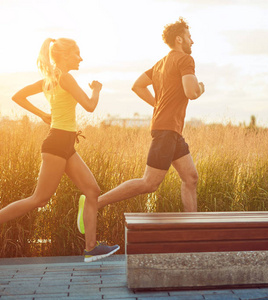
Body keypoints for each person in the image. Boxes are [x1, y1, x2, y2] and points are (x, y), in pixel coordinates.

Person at [77, 17, 204, 234]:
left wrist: (158, 105)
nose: (193, 41)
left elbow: (137, 86)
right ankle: (95, 202)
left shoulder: (161, 64)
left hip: (171, 130)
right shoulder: (185, 60)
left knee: (190, 178)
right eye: (190, 37)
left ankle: (192, 228)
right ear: (179, 39)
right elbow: (191, 92)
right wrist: (201, 87)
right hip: (166, 131)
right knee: (149, 183)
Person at [0, 38, 119, 262]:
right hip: (56, 145)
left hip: (65, 145)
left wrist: (42, 115)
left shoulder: (50, 79)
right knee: (39, 199)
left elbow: (18, 96)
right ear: (64, 56)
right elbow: (90, 106)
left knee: (92, 191)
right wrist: (96, 90)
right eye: (77, 53)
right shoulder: (65, 77)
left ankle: (91, 248)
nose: (81, 58)